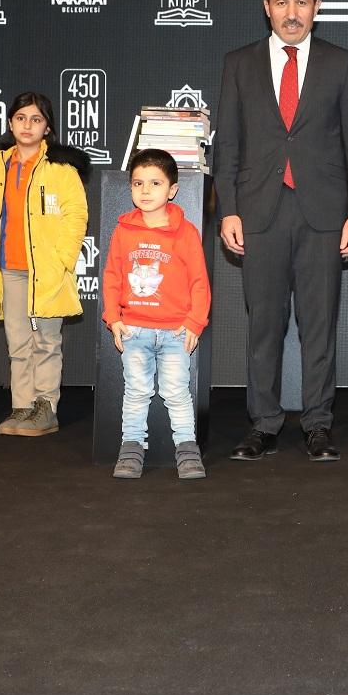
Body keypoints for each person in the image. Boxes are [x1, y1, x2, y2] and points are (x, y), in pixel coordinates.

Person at [215, 0, 348, 462]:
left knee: (318, 326)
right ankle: (263, 424)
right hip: (258, 212)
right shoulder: (239, 64)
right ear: (267, 8)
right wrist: (228, 210)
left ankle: (318, 424)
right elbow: (228, 145)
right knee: (263, 326)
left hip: (322, 215)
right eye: (281, 3)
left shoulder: (339, 63)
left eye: (301, 2)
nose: (291, 13)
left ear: (316, 7)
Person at [0, 91, 90, 437]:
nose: (27, 125)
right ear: (10, 123)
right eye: (21, 118)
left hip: (46, 272)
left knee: (46, 340)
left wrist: (61, 260)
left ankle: (45, 407)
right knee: (18, 341)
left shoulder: (61, 168)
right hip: (8, 268)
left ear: (47, 127)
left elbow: (76, 215)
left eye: (36, 119)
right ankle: (22, 406)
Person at [101, 149, 212, 479]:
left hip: (176, 332)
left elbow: (199, 282)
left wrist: (195, 322)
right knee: (136, 392)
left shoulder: (186, 232)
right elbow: (112, 277)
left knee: (177, 393)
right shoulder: (123, 231)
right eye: (138, 183)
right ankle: (131, 448)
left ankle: (187, 449)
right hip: (134, 330)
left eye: (155, 183)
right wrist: (114, 318)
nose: (145, 190)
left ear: (172, 190)